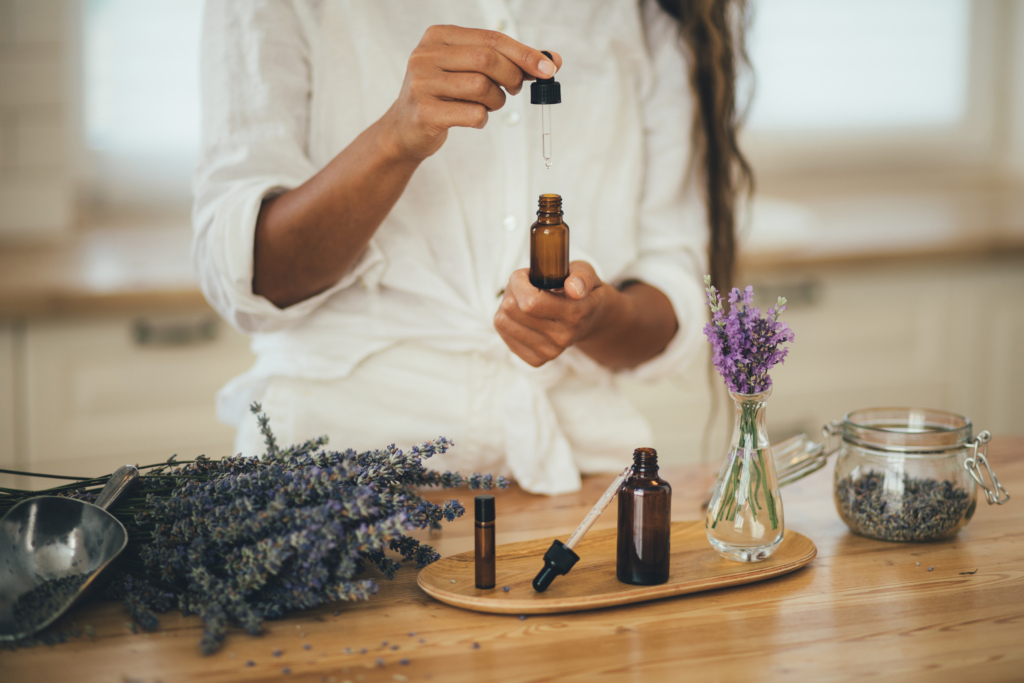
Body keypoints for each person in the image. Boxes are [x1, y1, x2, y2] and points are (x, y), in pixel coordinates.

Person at [193, 0, 752, 495]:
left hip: (573, 472)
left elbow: (673, 291)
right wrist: (394, 138)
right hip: (335, 471)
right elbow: (250, 277)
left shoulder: (649, 13)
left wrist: (596, 315)